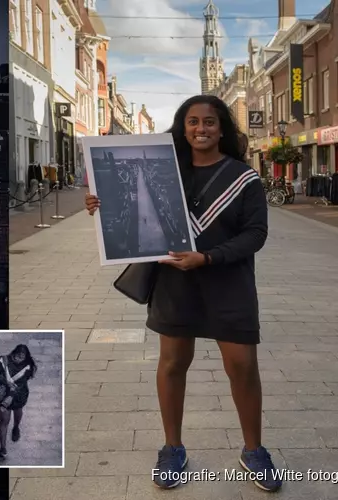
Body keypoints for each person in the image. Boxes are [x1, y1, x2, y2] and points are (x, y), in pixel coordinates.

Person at [85, 95, 278, 492]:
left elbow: (255, 235)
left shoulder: (244, 177)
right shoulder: (165, 171)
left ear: (222, 127)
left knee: (242, 366)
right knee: (173, 364)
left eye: (209, 122)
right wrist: (100, 203)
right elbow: (130, 205)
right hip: (176, 282)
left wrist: (208, 257)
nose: (200, 129)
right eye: (193, 122)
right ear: (183, 127)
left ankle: (254, 449)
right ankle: (172, 447)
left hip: (228, 283)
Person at [0, 344, 37, 460]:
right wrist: (6, 383)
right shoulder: (3, 360)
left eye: (22, 357)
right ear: (13, 354)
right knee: (4, 420)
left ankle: (16, 427)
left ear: (26, 357)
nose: (18, 359)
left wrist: (12, 392)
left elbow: (24, 381)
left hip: (19, 394)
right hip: (3, 393)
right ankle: (2, 448)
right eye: (17, 356)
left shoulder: (28, 366)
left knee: (18, 411)